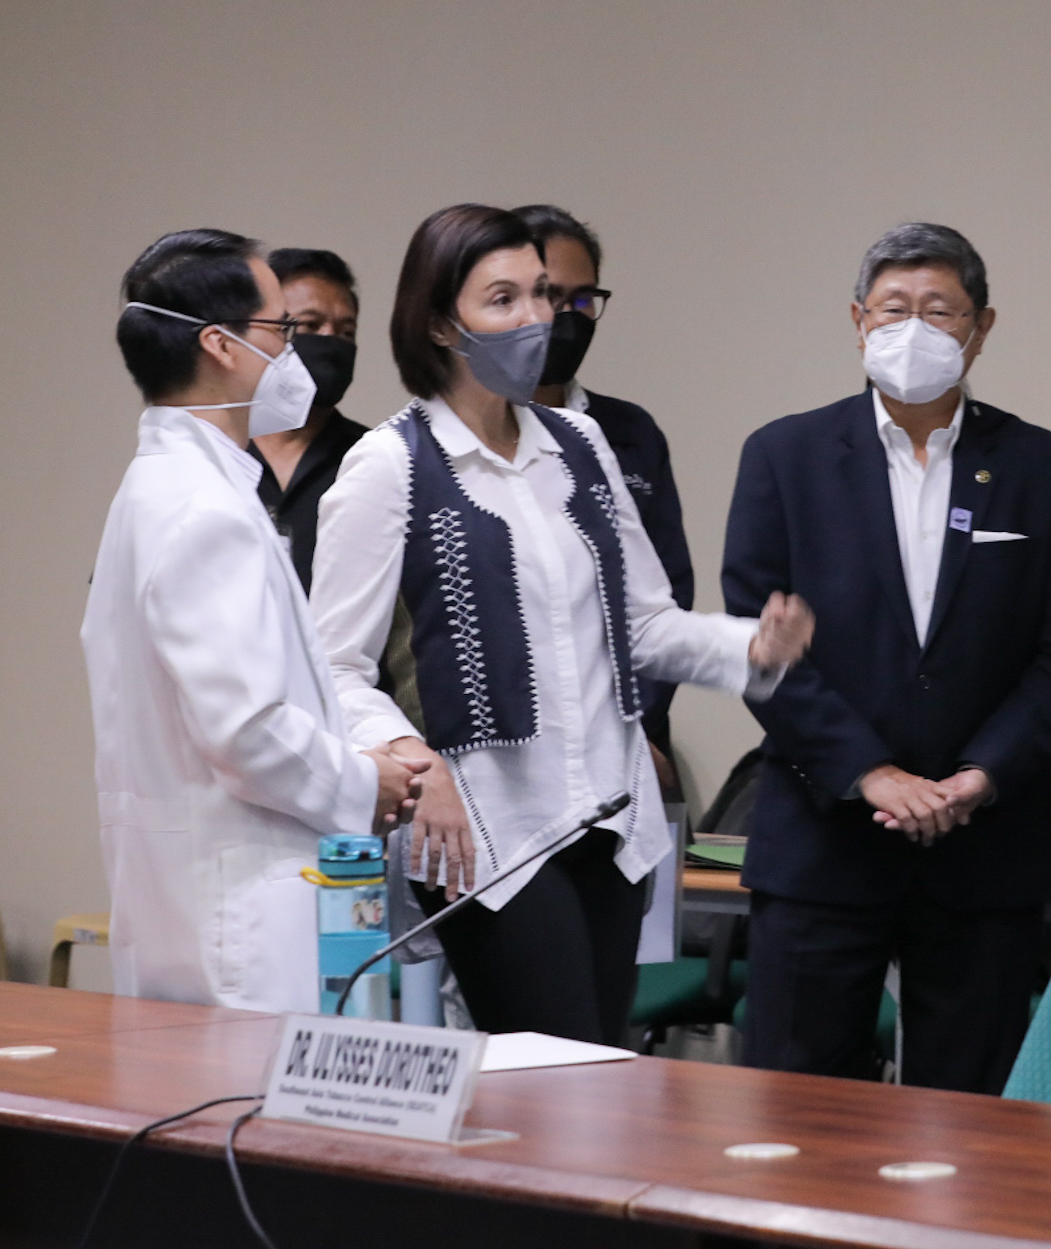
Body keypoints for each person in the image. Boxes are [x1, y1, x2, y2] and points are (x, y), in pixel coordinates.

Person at [312, 204, 813, 1045]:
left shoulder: (580, 444)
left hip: (609, 820)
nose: (537, 318)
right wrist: (411, 762)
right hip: (486, 833)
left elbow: (644, 625)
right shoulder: (389, 464)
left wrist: (750, 648)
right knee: (556, 1084)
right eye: (501, 299)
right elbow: (333, 666)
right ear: (441, 322)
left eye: (542, 294)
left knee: (602, 1071)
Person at [724, 222, 1051, 1093]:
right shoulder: (785, 456)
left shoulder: (1045, 467)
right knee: (793, 1114)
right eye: (895, 310)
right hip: (824, 842)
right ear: (858, 321)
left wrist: (979, 777)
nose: (915, 331)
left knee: (972, 1130)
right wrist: (869, 773)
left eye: (941, 313)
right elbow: (760, 643)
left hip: (986, 849)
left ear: (982, 327)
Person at [84, 229, 423, 1011]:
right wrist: (365, 782)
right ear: (220, 345)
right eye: (283, 332)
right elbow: (247, 732)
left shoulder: (169, 488)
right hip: (242, 915)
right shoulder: (202, 508)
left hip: (203, 894)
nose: (297, 356)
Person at [514, 204, 695, 796]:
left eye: (583, 300)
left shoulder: (628, 433)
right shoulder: (438, 442)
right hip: (502, 748)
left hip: (627, 744)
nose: (566, 318)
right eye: (550, 295)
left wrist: (636, 730)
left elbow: (664, 595)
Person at [249, 248, 369, 591]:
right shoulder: (210, 456)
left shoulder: (372, 459)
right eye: (310, 326)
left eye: (347, 332)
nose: (331, 340)